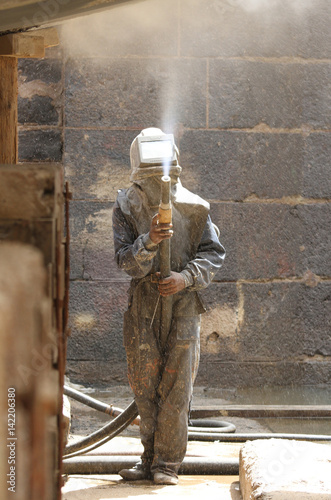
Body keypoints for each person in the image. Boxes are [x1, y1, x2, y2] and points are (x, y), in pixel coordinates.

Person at [112, 128, 225, 485]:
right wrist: (148, 242)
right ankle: (148, 459)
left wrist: (186, 277)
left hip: (183, 306)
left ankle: (167, 465)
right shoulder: (125, 206)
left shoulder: (194, 207)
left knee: (177, 388)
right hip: (144, 305)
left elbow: (213, 254)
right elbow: (124, 261)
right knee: (145, 385)